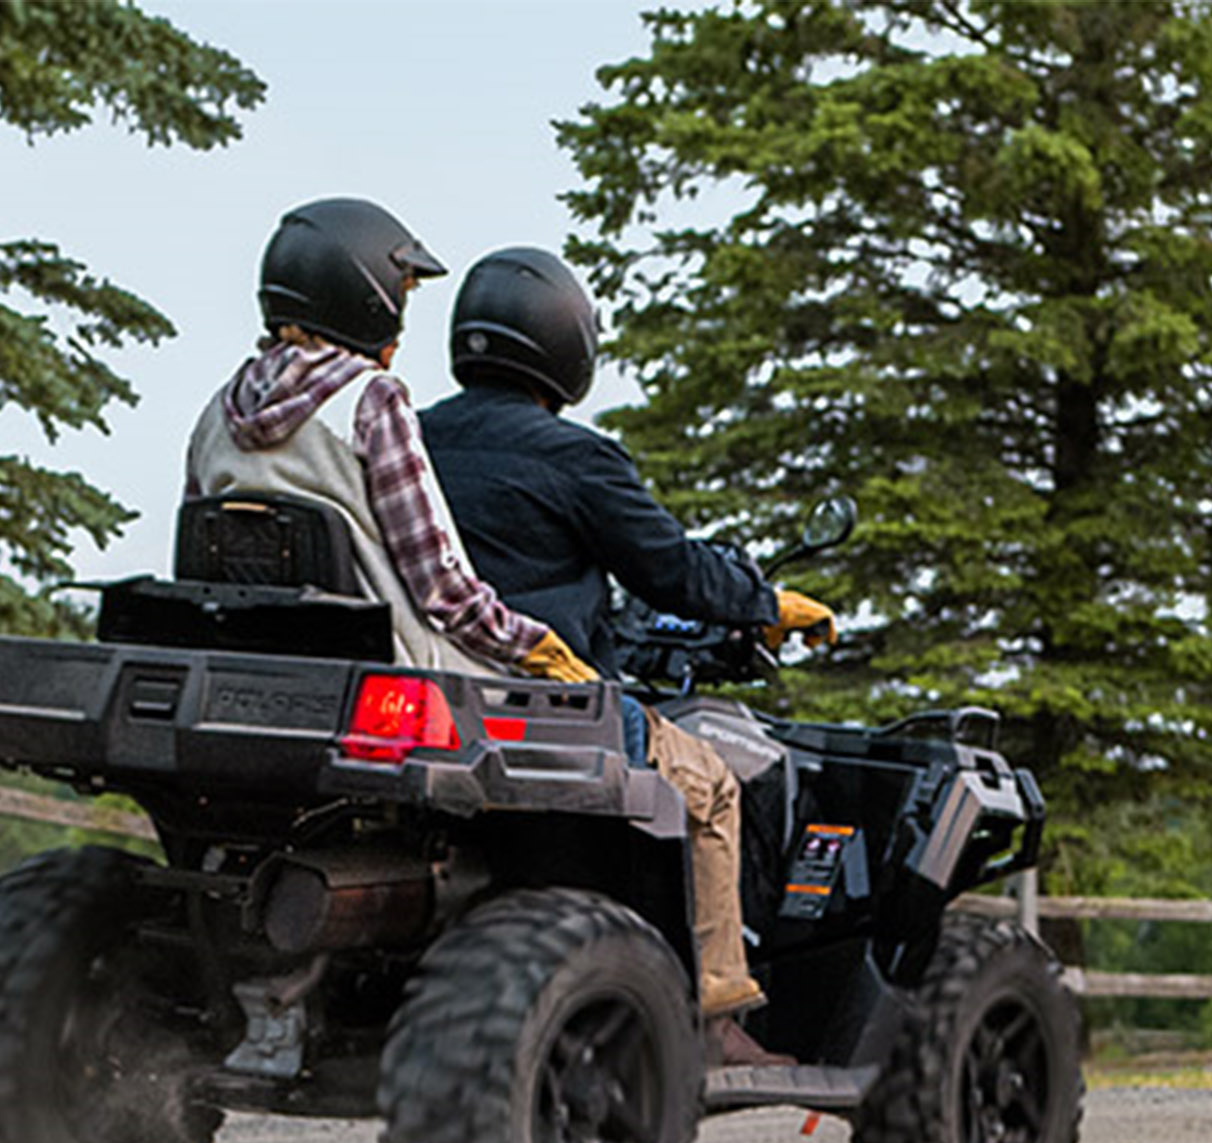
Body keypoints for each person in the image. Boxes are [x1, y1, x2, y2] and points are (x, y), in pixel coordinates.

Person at [420, 246, 838, 1066]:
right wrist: (765, 603)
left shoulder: (411, 437)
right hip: (545, 707)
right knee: (712, 785)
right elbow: (672, 569)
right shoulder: (574, 455)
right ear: (566, 345)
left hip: (434, 693)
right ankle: (718, 1015)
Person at [186, 197, 591, 684]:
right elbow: (442, 589)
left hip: (255, 671)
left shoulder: (216, 413)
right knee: (622, 722)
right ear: (365, 294)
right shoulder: (369, 401)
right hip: (401, 675)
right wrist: (535, 646)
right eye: (402, 292)